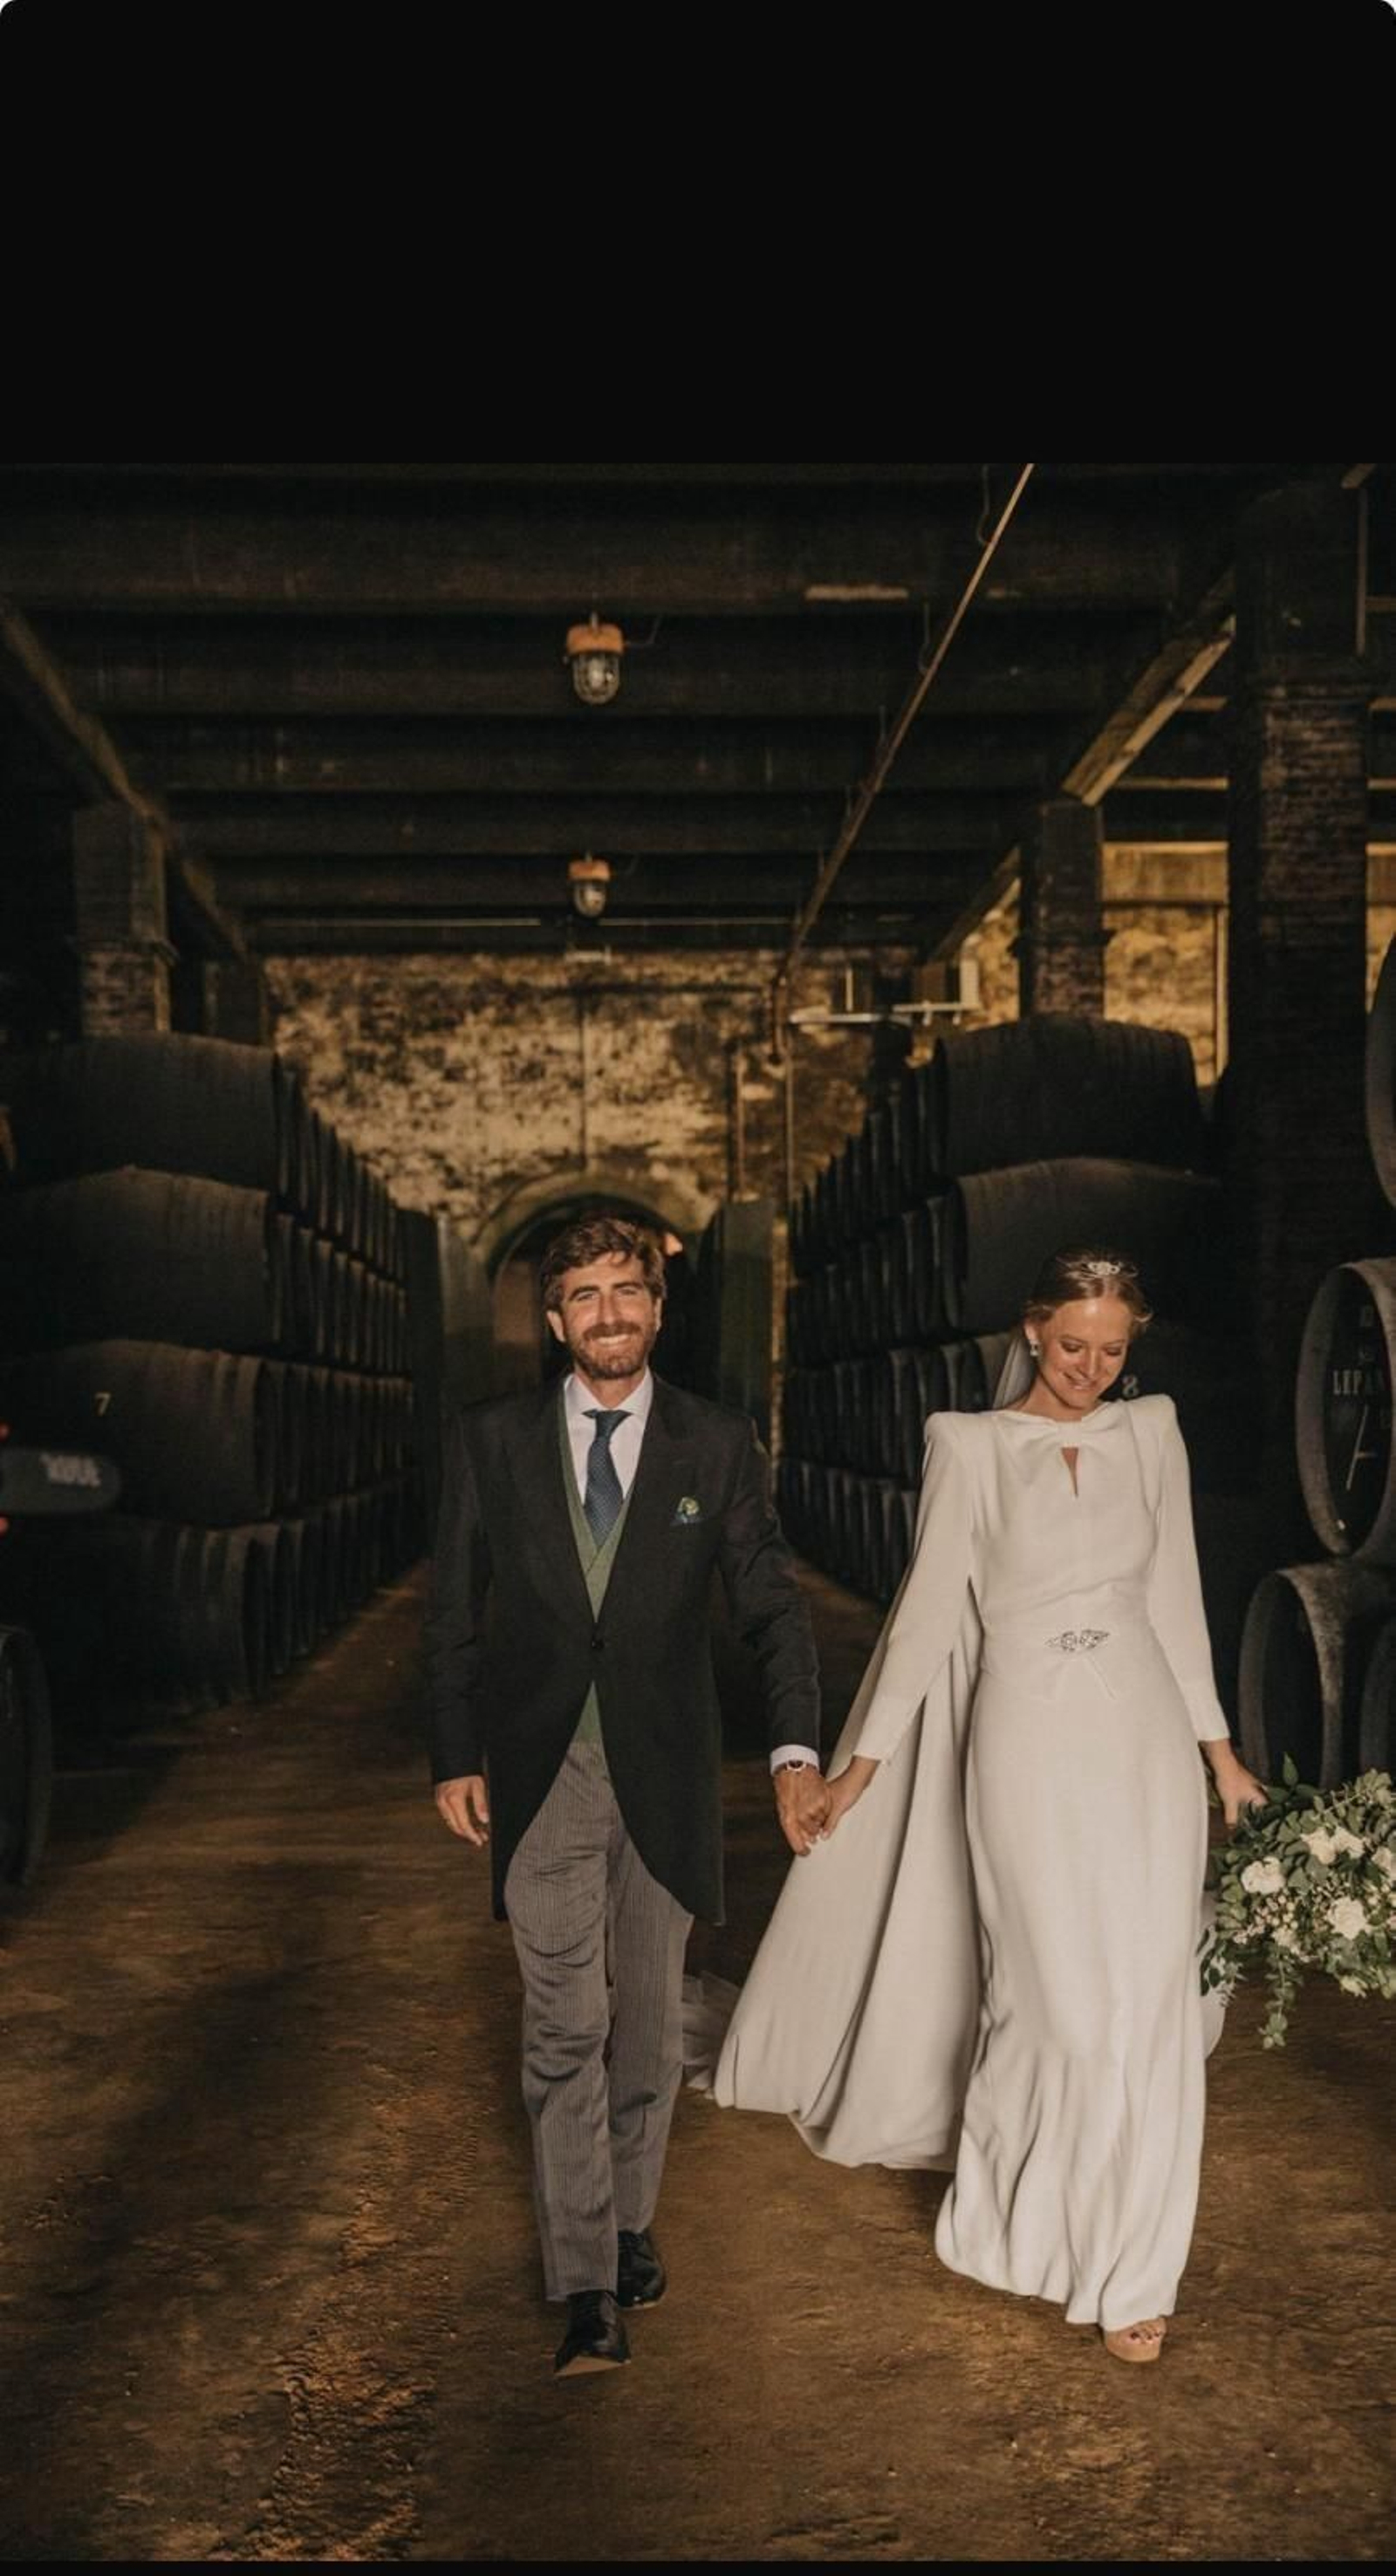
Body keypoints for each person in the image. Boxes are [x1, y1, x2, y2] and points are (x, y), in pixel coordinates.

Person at [708, 1247, 1266, 2365]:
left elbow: (1176, 1600)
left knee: (1146, 2003)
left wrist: (1220, 1756)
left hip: (1142, 1737)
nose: (1092, 1370)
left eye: (1113, 1350)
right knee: (1052, 2000)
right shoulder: (965, 1445)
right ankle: (1028, 2229)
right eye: (1073, 1346)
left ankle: (1135, 2269)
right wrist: (855, 1772)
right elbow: (922, 1618)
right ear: (1030, 1331)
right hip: (1023, 1739)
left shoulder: (1149, 1430)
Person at [424, 1213, 822, 2378]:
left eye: (627, 1292)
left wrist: (795, 1744)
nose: (608, 1313)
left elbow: (774, 1604)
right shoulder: (491, 1441)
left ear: (658, 1307)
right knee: (566, 2026)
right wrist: (454, 1751)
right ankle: (589, 2284)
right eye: (584, 1296)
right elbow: (451, 1611)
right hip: (540, 1769)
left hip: (663, 1765)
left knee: (647, 2026)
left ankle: (632, 2217)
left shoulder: (714, 1442)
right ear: (555, 1321)